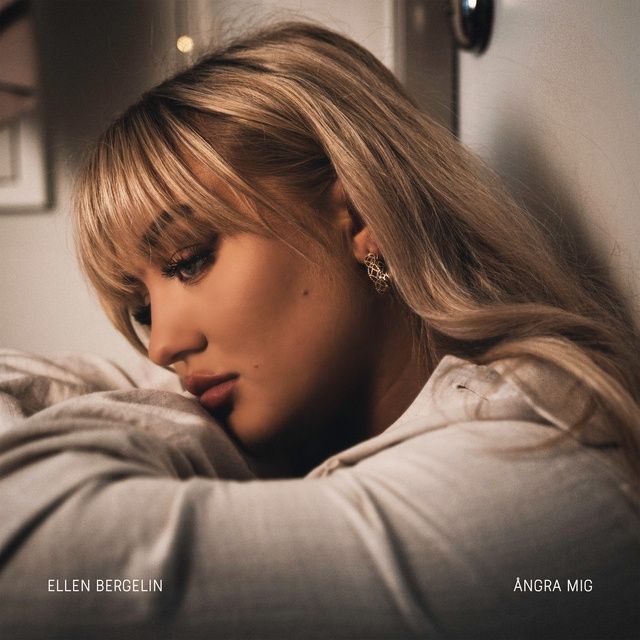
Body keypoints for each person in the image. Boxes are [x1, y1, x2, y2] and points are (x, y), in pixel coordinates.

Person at [1, 20, 639, 639]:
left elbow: (29, 559)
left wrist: (187, 424)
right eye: (142, 309)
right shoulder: (329, 418)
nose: (163, 347)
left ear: (360, 215)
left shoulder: (529, 476)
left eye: (188, 260)